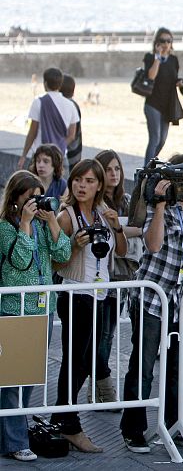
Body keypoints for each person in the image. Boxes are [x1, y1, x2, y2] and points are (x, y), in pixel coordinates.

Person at [119, 154, 183, 453]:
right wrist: (162, 203)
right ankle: (133, 427)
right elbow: (153, 245)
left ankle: (176, 421)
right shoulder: (157, 206)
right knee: (143, 366)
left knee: (178, 368)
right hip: (152, 298)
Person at [51, 159, 128, 453]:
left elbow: (121, 252)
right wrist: (74, 245)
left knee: (85, 361)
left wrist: (117, 227)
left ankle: (62, 417)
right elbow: (56, 263)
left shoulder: (102, 212)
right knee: (75, 361)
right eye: (77, 180)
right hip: (75, 293)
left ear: (99, 186)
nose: (81, 186)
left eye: (89, 181)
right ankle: (69, 423)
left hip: (98, 293)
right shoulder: (66, 216)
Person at [0, 171, 70, 462]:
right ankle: (15, 441)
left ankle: (11, 434)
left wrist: (51, 221)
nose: (36, 203)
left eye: (40, 197)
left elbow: (63, 254)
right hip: (14, 309)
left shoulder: (42, 224)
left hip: (43, 309)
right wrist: (25, 225)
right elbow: (20, 260)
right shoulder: (5, 228)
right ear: (15, 199)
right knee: (12, 379)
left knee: (28, 377)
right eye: (30, 198)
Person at [91, 149, 144, 405]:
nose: (114, 174)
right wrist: (122, 229)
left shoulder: (126, 200)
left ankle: (98, 389)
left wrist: (119, 228)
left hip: (123, 275)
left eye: (117, 169)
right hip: (99, 274)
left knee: (107, 334)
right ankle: (104, 386)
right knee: (98, 336)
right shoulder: (95, 201)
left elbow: (141, 227)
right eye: (108, 169)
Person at [18, 67, 79, 170]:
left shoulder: (38, 102)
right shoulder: (70, 105)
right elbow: (71, 135)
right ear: (60, 84)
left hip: (40, 158)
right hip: (60, 157)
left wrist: (24, 155)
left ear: (45, 83)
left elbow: (32, 132)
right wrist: (59, 146)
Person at [142, 28, 183, 166]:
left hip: (168, 105)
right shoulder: (150, 58)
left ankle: (149, 166)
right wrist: (158, 57)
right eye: (162, 40)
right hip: (152, 104)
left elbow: (173, 77)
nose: (166, 44)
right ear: (157, 42)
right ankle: (146, 170)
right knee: (155, 138)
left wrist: (180, 83)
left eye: (168, 41)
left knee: (162, 140)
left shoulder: (174, 60)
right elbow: (151, 76)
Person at [61, 74, 83, 170]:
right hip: (75, 153)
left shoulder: (68, 106)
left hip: (69, 153)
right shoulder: (73, 105)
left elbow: (70, 135)